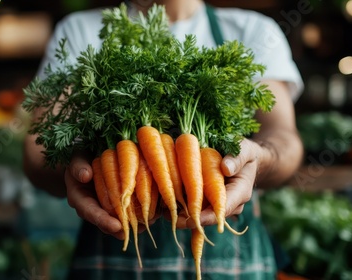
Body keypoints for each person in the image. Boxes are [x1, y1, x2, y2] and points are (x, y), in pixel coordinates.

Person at [23, 0, 304, 279]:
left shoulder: (253, 31)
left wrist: (260, 159)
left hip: (235, 259)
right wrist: (79, 174)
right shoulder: (80, 31)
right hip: (112, 244)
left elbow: (283, 139)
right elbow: (39, 148)